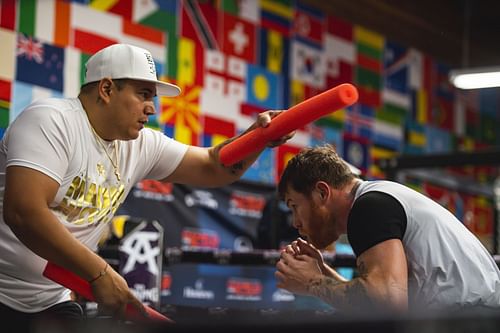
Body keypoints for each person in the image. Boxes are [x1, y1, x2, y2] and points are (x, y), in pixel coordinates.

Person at [0, 43, 293, 322]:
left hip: (50, 298)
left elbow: (214, 165)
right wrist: (100, 273)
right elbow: (23, 212)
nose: (152, 108)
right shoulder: (51, 121)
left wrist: (259, 138)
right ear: (106, 89)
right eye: (143, 94)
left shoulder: (140, 145)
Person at [274, 144, 500, 316]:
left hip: (472, 318)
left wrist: (313, 283)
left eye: (295, 206)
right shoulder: (377, 198)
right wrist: (322, 272)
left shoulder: (368, 207)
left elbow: (388, 306)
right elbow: (382, 298)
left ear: (322, 193)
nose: (295, 222)